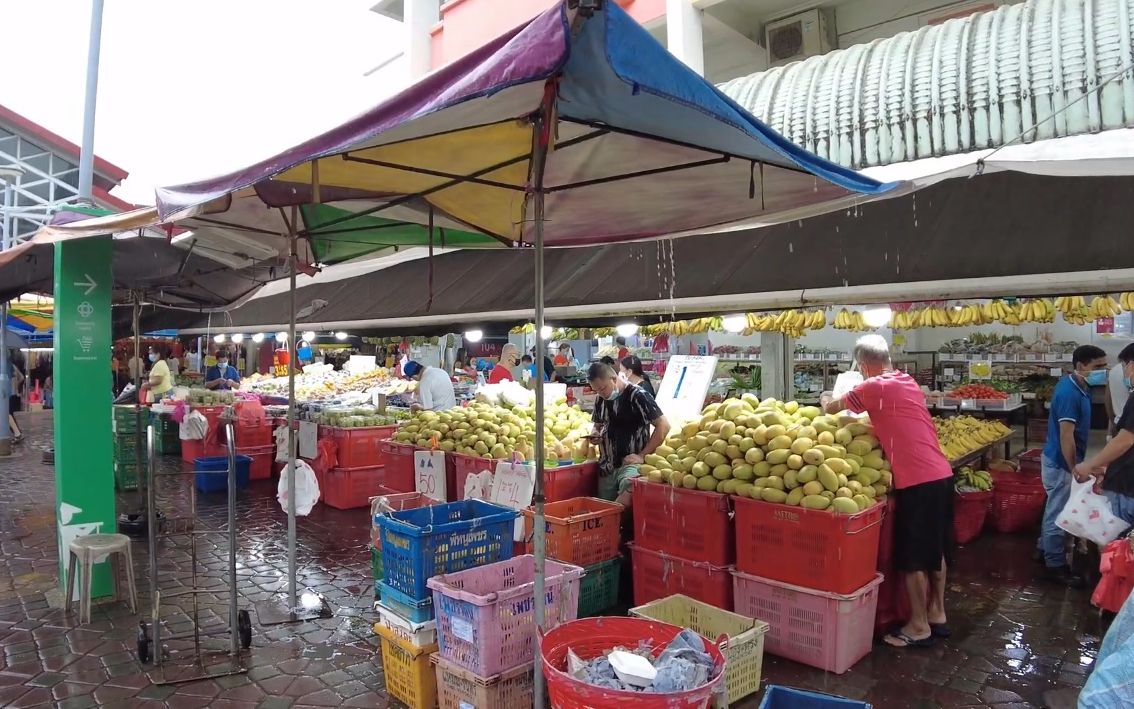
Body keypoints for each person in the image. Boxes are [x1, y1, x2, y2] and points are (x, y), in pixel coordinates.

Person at [820, 334, 954, 649]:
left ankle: (918, 627)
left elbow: (832, 410)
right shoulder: (906, 381)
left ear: (864, 365)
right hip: (942, 474)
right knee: (936, 551)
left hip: (917, 481)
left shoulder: (872, 387)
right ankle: (937, 613)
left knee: (912, 558)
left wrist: (827, 396)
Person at [1038, 344, 1109, 587]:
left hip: (1063, 459)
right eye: (1098, 366)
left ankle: (1043, 550)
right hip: (1060, 461)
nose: (1104, 370)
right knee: (1056, 513)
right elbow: (1066, 436)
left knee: (1054, 506)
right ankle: (1054, 566)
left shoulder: (1082, 386)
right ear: (1081, 366)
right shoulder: (1069, 393)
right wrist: (1073, 468)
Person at [587, 362, 670, 506]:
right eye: (596, 391)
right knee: (604, 508)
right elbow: (598, 424)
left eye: (603, 388)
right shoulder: (600, 399)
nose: (601, 393)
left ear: (614, 379)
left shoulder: (638, 396)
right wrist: (595, 433)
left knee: (626, 495)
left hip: (631, 464)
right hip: (607, 466)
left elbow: (664, 425)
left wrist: (642, 455)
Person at [1073, 343, 1134, 527]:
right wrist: (1107, 466)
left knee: (1120, 547)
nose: (1123, 372)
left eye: (1124, 366)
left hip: (1128, 489)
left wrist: (1089, 464)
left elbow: (1125, 440)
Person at [1106, 358, 1131, 440]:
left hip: (1119, 423)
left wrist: (1113, 424)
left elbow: (1108, 400)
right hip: (1130, 428)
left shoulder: (1114, 370)